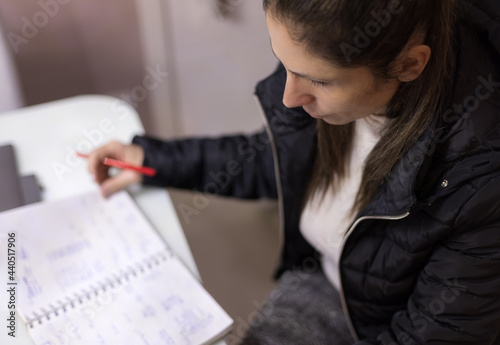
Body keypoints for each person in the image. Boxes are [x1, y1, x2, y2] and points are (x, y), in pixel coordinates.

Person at [87, 0, 500, 343]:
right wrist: (155, 162)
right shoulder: (335, 82)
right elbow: (278, 160)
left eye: (317, 81)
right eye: (283, 64)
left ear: (409, 65)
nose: (289, 97)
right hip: (330, 278)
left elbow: (434, 333)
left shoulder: (478, 179)